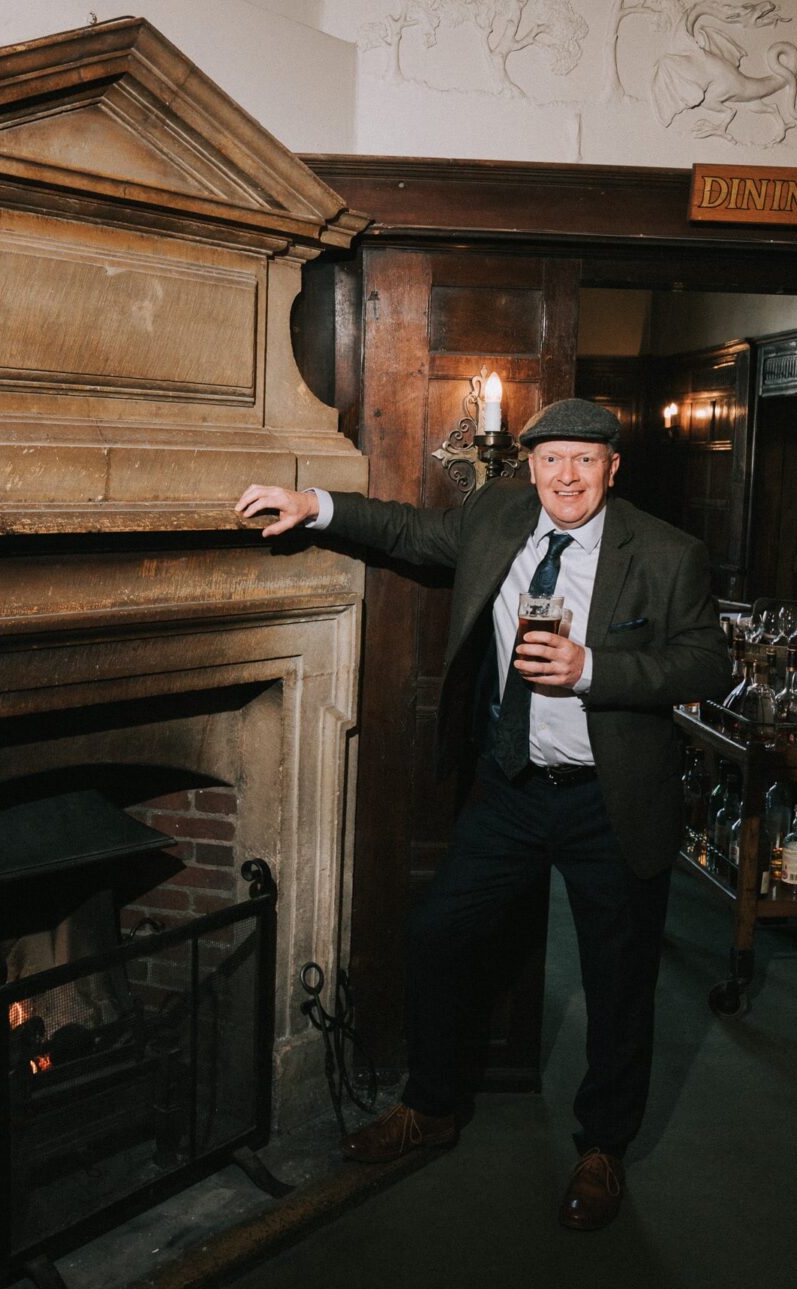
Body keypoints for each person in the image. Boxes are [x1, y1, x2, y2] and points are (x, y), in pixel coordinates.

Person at [236, 398, 730, 1230]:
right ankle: (430, 1107)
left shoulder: (666, 552)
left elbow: (705, 664)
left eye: (583, 460)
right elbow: (405, 531)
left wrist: (589, 669)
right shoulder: (499, 513)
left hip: (608, 800)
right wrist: (311, 506)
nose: (564, 477)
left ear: (613, 468)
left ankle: (602, 1147)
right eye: (549, 460)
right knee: (437, 935)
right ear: (527, 466)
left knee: (617, 980)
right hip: (509, 789)